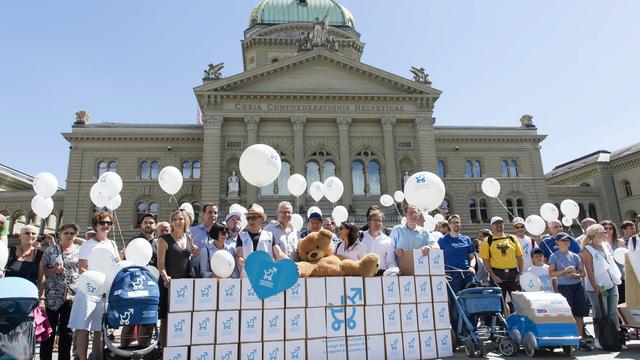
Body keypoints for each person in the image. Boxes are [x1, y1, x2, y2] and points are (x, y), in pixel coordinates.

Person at [68, 211, 120, 360]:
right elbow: (82, 268)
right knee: (83, 327)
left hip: (106, 291)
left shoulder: (112, 244)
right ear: (95, 225)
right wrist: (96, 280)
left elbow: (115, 265)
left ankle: (97, 357)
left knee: (99, 328)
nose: (105, 226)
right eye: (102, 223)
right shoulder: (88, 245)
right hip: (89, 290)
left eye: (108, 223)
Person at [38, 223, 80, 360]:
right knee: (49, 332)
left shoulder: (79, 251)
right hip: (52, 296)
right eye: (66, 233)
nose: (69, 235)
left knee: (67, 332)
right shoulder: (51, 251)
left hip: (71, 296)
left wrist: (78, 239)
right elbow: (43, 272)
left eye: (72, 233)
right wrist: (54, 270)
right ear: (60, 234)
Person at [157, 209, 198, 345]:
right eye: (174, 219)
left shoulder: (189, 237)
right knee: (166, 318)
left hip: (185, 284)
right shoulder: (164, 240)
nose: (177, 222)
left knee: (183, 316)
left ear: (185, 220)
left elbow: (188, 257)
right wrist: (165, 276)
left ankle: (180, 346)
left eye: (180, 219)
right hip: (168, 283)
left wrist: (194, 251)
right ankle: (163, 349)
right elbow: (161, 264)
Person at [549, 233, 591, 351]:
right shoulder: (554, 256)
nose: (566, 242)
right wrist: (564, 271)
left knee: (579, 314)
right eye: (563, 240)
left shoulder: (575, 256)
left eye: (568, 240)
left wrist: (575, 275)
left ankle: (580, 340)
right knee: (568, 314)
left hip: (577, 286)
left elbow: (583, 273)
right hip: (564, 287)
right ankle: (568, 339)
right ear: (557, 242)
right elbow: (551, 273)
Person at [582, 224, 622, 345]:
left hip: (611, 283)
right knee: (600, 312)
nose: (606, 234)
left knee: (613, 312)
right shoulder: (587, 249)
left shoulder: (606, 245)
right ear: (595, 235)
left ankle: (615, 339)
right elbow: (588, 269)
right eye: (602, 232)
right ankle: (600, 339)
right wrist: (595, 286)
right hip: (598, 286)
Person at [121, 213, 157, 347]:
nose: (148, 225)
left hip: (152, 287)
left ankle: (142, 351)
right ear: (141, 225)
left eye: (151, 222)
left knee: (148, 321)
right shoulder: (134, 242)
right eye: (145, 222)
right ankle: (124, 350)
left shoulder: (159, 243)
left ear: (155, 225)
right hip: (134, 286)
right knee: (130, 320)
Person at [479, 216, 524, 304]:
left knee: (518, 302)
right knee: (500, 302)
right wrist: (493, 275)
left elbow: (519, 256)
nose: (499, 225)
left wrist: (520, 272)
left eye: (500, 223)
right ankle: (502, 318)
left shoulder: (512, 238)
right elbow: (485, 260)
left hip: (513, 274)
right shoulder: (488, 240)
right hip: (497, 274)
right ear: (492, 226)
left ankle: (519, 318)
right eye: (496, 223)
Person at [438, 214, 476, 293]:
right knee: (455, 301)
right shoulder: (442, 240)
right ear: (449, 225)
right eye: (453, 222)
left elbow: (472, 257)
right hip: (451, 276)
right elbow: (438, 258)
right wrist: (442, 271)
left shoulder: (466, 239)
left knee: (470, 299)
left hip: (467, 274)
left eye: (458, 222)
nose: (456, 224)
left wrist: (472, 267)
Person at [236, 204, 274, 275]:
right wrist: (248, 263)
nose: (250, 221)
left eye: (253, 218)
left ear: (262, 219)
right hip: (247, 277)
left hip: (265, 276)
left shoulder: (270, 236)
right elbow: (239, 257)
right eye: (248, 218)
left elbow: (279, 254)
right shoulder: (241, 236)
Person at [360, 209, 396, 276]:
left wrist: (393, 272)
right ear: (369, 222)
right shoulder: (360, 237)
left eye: (379, 220)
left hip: (381, 275)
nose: (377, 223)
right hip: (363, 274)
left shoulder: (388, 240)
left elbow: (390, 262)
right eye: (375, 220)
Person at [601, 220, 626, 304]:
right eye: (605, 228)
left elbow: (624, 258)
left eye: (610, 228)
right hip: (607, 277)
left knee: (623, 301)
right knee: (611, 302)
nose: (608, 230)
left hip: (620, 275)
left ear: (614, 230)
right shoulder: (599, 244)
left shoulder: (620, 242)